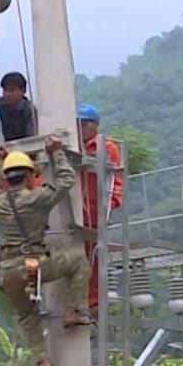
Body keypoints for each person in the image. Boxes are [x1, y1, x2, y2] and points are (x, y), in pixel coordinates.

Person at [0, 136, 92, 366]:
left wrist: (2, 161)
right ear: (28, 176)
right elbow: (66, 179)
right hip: (33, 264)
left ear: (7, 178)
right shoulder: (37, 198)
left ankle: (42, 357)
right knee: (77, 262)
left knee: (27, 314)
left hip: (7, 272)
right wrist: (56, 153)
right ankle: (74, 310)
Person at [77, 103, 123, 317]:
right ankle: (81, 301)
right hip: (78, 212)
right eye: (79, 124)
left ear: (95, 125)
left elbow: (115, 179)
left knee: (94, 260)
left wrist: (111, 204)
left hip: (96, 211)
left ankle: (94, 303)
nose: (81, 128)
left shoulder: (106, 147)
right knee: (79, 260)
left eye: (85, 124)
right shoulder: (75, 147)